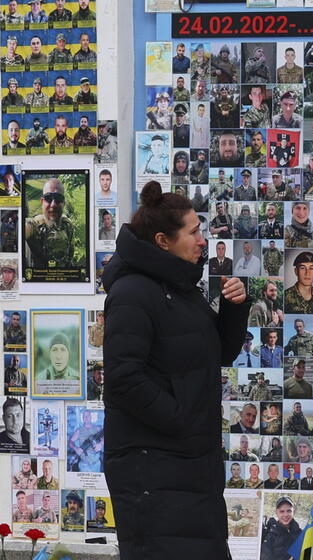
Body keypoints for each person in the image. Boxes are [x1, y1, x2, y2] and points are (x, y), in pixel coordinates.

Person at [101, 181, 249, 557]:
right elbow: (124, 380)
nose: (204, 241)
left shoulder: (180, 287)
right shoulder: (133, 292)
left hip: (189, 465)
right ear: (163, 241)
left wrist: (233, 310)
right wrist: (183, 420)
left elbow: (219, 355)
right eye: (195, 232)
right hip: (152, 469)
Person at [24, 177, 75, 268]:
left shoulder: (67, 225)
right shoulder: (34, 226)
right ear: (42, 201)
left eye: (58, 198)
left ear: (63, 203)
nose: (53, 204)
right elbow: (22, 228)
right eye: (48, 198)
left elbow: (69, 258)